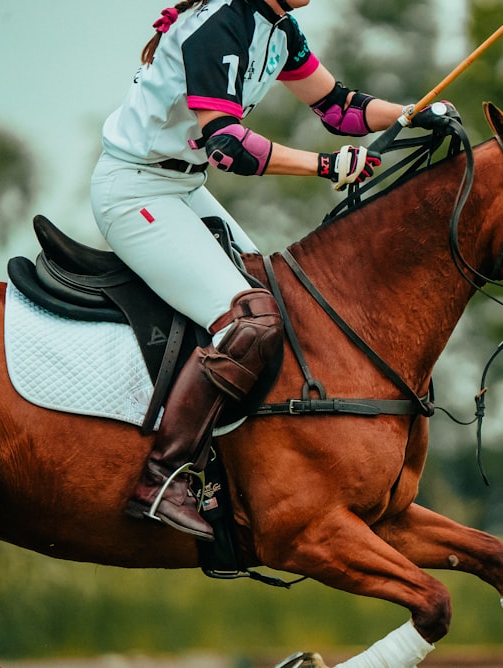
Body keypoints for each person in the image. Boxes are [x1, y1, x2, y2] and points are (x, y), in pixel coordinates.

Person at [91, 0, 457, 541]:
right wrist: (326, 164)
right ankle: (161, 477)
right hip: (136, 192)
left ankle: (239, 470)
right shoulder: (219, 27)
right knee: (251, 322)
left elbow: (338, 107)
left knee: (279, 306)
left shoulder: (279, 28)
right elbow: (227, 145)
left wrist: (412, 114)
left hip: (182, 189)